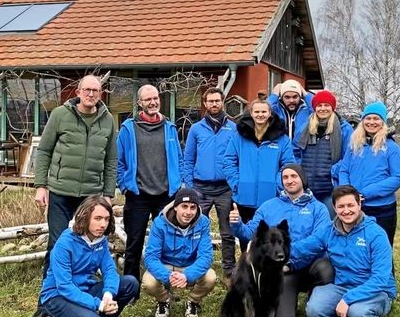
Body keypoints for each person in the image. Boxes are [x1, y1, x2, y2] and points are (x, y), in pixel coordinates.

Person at [31, 75, 117, 317]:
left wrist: (108, 194)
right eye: (87, 90)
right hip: (60, 191)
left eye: (96, 90)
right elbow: (44, 150)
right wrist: (41, 186)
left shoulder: (107, 120)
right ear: (78, 91)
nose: (91, 94)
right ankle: (46, 304)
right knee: (57, 245)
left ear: (101, 94)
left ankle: (80, 297)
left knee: (90, 245)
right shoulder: (60, 114)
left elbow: (111, 160)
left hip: (90, 197)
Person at [229, 164, 333, 317]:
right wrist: (237, 224)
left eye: (294, 176)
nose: (290, 181)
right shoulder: (269, 206)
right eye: (285, 177)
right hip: (282, 271)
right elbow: (251, 233)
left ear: (302, 179)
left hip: (308, 265)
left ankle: (316, 301)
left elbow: (320, 240)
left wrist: (287, 256)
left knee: (325, 268)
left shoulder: (318, 208)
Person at [292, 185, 396, 317]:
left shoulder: (376, 234)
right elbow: (304, 247)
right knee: (314, 310)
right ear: (334, 207)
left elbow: (380, 279)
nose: (346, 211)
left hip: (376, 291)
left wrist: (348, 299)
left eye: (350, 205)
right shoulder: (329, 230)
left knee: (358, 312)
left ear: (359, 205)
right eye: (341, 206)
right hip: (343, 286)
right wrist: (271, 250)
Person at [39, 196, 140, 317]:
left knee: (130, 283)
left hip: (85, 289)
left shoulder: (100, 240)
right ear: (85, 217)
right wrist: (98, 305)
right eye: (98, 218)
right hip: (58, 296)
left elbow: (110, 270)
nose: (103, 224)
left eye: (106, 219)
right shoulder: (65, 243)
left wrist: (108, 295)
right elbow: (65, 286)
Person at [117, 84, 183, 279]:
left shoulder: (170, 127)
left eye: (155, 98)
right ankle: (131, 286)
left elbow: (178, 159)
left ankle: (167, 283)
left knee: (169, 242)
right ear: (140, 103)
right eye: (148, 99)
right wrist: (125, 186)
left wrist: (178, 184)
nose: (153, 102)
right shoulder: (128, 129)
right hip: (138, 196)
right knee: (134, 243)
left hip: (166, 196)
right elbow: (118, 162)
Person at [182, 87, 237, 284]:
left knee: (227, 232)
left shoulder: (233, 128)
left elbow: (237, 158)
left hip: (225, 189)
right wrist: (190, 187)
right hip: (200, 188)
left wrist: (234, 182)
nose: (214, 104)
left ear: (223, 102)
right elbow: (188, 159)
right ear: (205, 104)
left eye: (217, 101)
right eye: (210, 101)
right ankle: (192, 268)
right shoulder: (196, 129)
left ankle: (229, 271)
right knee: (195, 228)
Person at [335, 101, 400, 247]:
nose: (371, 122)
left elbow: (398, 177)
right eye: (368, 118)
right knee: (354, 248)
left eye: (376, 118)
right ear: (363, 120)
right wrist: (348, 192)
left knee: (381, 249)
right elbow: (344, 169)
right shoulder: (354, 145)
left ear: (383, 122)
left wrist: (365, 193)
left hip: (381, 210)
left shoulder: (391, 148)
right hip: (354, 208)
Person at [142, 188, 216, 317]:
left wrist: (187, 276)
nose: (188, 212)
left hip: (189, 266)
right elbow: (151, 257)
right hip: (166, 266)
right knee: (148, 282)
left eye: (193, 207)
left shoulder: (203, 222)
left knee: (211, 277)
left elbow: (206, 256)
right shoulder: (160, 223)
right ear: (175, 207)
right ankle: (164, 300)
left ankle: (193, 301)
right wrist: (167, 276)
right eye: (184, 206)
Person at [222, 96, 296, 228]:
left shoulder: (281, 139)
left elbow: (288, 165)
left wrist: (277, 185)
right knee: (245, 239)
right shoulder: (239, 136)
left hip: (271, 198)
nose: (260, 115)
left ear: (269, 114)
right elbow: (229, 161)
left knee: (267, 239)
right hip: (243, 198)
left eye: (263, 112)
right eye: (257, 112)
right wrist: (237, 183)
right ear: (251, 113)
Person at [293, 90, 353, 218]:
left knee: (328, 225)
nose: (323, 108)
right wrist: (300, 169)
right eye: (319, 105)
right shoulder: (304, 128)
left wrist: (332, 170)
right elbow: (295, 151)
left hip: (330, 188)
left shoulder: (344, 129)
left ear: (332, 107)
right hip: (306, 188)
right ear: (315, 107)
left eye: (327, 105)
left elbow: (348, 157)